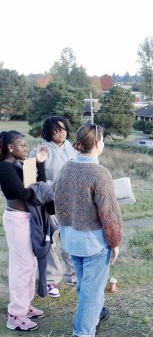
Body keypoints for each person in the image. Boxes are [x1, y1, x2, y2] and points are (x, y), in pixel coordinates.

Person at [52, 124, 123, 336]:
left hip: (70, 239)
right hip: (94, 242)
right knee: (91, 291)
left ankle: (96, 314)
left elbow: (56, 194)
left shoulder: (67, 166)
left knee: (85, 285)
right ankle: (82, 332)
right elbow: (108, 213)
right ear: (99, 143)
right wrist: (115, 241)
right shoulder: (100, 173)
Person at [0, 130, 49, 331]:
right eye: (23, 145)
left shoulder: (18, 165)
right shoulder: (5, 167)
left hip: (28, 218)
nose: (26, 149)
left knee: (30, 265)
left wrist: (39, 163)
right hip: (17, 219)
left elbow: (40, 184)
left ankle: (25, 306)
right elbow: (25, 192)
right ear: (11, 147)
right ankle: (15, 315)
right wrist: (39, 188)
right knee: (22, 268)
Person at [30, 116, 79, 298]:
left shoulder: (73, 148)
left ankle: (73, 275)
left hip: (72, 202)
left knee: (71, 239)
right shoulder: (39, 150)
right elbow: (30, 179)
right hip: (49, 203)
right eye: (56, 129)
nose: (61, 132)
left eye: (64, 128)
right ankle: (51, 281)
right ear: (48, 132)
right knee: (51, 241)